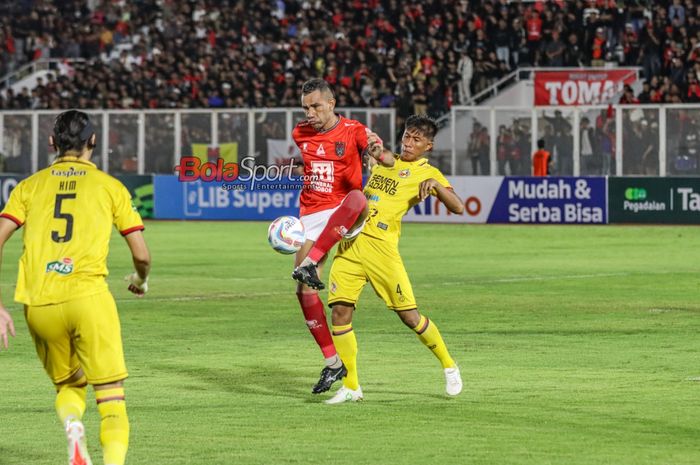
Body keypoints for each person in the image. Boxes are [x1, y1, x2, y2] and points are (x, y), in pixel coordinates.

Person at [0, 110, 150, 465]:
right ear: (93, 142)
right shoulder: (110, 187)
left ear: (52, 143)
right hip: (88, 298)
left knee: (70, 385)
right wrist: (140, 281)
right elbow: (141, 256)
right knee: (111, 396)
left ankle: (72, 424)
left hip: (39, 303)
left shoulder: (28, 187)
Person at [324, 115, 464, 404]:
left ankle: (449, 365)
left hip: (382, 250)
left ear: (428, 145)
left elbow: (458, 207)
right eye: (406, 136)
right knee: (339, 312)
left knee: (409, 316)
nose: (409, 143)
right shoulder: (384, 162)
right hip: (350, 244)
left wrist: (435, 187)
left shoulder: (429, 173)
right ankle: (351, 386)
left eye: (416, 139)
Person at [290, 78, 387, 395]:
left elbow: (373, 147)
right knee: (304, 291)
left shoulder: (354, 130)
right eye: (306, 107)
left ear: (331, 104)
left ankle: (313, 260)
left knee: (359, 198)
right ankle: (333, 363)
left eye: (316, 106)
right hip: (312, 213)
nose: (310, 113)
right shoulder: (300, 133)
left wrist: (373, 151)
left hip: (345, 207)